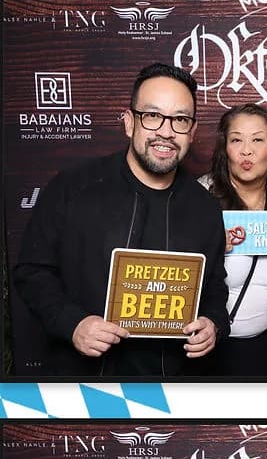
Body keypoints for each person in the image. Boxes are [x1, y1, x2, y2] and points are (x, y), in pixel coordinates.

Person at [14, 62, 229, 378]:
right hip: (82, 384)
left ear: (192, 132)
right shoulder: (72, 187)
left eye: (180, 120)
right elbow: (32, 271)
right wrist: (72, 323)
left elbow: (213, 287)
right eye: (153, 116)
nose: (166, 132)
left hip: (170, 391)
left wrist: (214, 324)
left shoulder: (206, 208)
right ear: (130, 123)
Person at [199, 103, 267, 377]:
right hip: (204, 346)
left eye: (257, 139)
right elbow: (175, 267)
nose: (247, 150)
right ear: (225, 150)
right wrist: (210, 244)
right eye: (237, 140)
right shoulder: (200, 197)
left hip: (260, 346)